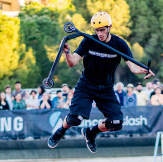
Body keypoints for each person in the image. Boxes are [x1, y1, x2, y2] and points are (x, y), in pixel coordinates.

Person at [47, 12, 154, 153]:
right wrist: (67, 52)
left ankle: (91, 133)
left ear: (109, 27)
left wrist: (145, 70)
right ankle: (60, 131)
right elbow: (72, 62)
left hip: (106, 88)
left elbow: (133, 67)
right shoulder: (88, 41)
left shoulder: (119, 44)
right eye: (97, 30)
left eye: (102, 30)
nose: (100, 34)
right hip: (86, 85)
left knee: (116, 123)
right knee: (75, 119)